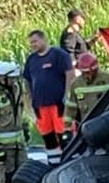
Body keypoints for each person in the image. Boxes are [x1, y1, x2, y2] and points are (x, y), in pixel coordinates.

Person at [23, 30, 72, 164]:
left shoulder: (58, 55)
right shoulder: (31, 60)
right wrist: (30, 97)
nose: (32, 45)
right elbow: (27, 79)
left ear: (44, 39)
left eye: (35, 41)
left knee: (64, 135)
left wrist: (67, 95)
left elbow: (69, 73)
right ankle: (53, 163)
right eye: (31, 43)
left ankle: (68, 161)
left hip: (58, 104)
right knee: (48, 137)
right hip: (40, 105)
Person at [64, 52, 109, 134]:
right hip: (87, 127)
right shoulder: (76, 84)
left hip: (107, 124)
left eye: (90, 72)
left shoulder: (107, 79)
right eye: (85, 73)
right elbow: (70, 107)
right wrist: (66, 128)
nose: (88, 76)